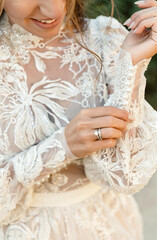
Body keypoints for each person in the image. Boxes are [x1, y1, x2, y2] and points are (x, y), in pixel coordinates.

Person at [0, 0, 157, 239]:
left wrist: (132, 66)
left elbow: (126, 178)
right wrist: (61, 147)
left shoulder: (103, 37)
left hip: (108, 225)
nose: (54, 10)